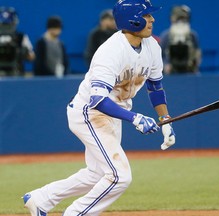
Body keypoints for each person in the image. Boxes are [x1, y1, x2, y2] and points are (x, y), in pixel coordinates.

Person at [22, 0, 176, 215]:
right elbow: (97, 101)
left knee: (96, 174)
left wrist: (165, 120)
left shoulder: (152, 47)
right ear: (133, 20)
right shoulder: (110, 51)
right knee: (120, 176)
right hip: (90, 113)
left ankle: (40, 199)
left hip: (113, 112)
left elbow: (155, 87)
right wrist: (134, 118)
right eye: (147, 15)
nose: (152, 19)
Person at [159, 5, 201, 74]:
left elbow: (197, 53)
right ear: (172, 19)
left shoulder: (192, 35)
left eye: (183, 19)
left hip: (189, 72)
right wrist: (165, 65)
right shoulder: (166, 36)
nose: (180, 22)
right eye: (178, 19)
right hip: (169, 73)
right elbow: (159, 56)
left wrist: (194, 65)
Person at [0, 7, 35, 76]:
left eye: (9, 25)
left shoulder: (21, 37)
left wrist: (23, 52)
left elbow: (31, 57)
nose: (6, 27)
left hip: (16, 73)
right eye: (4, 24)